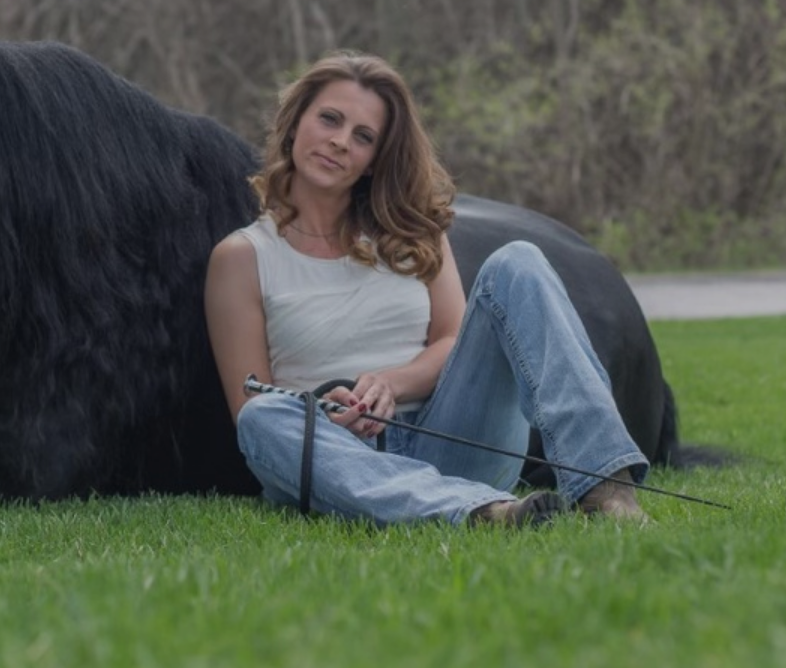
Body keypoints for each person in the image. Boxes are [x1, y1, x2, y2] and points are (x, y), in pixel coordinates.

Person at [204, 52, 650, 528]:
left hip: (451, 439)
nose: (340, 141)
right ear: (295, 124)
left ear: (374, 161)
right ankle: (482, 511)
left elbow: (452, 341)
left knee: (518, 261)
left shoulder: (415, 234)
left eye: (363, 136)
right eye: (329, 119)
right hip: (340, 460)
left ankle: (605, 488)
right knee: (261, 418)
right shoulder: (242, 257)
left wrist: (391, 382)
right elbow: (251, 400)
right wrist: (325, 411)